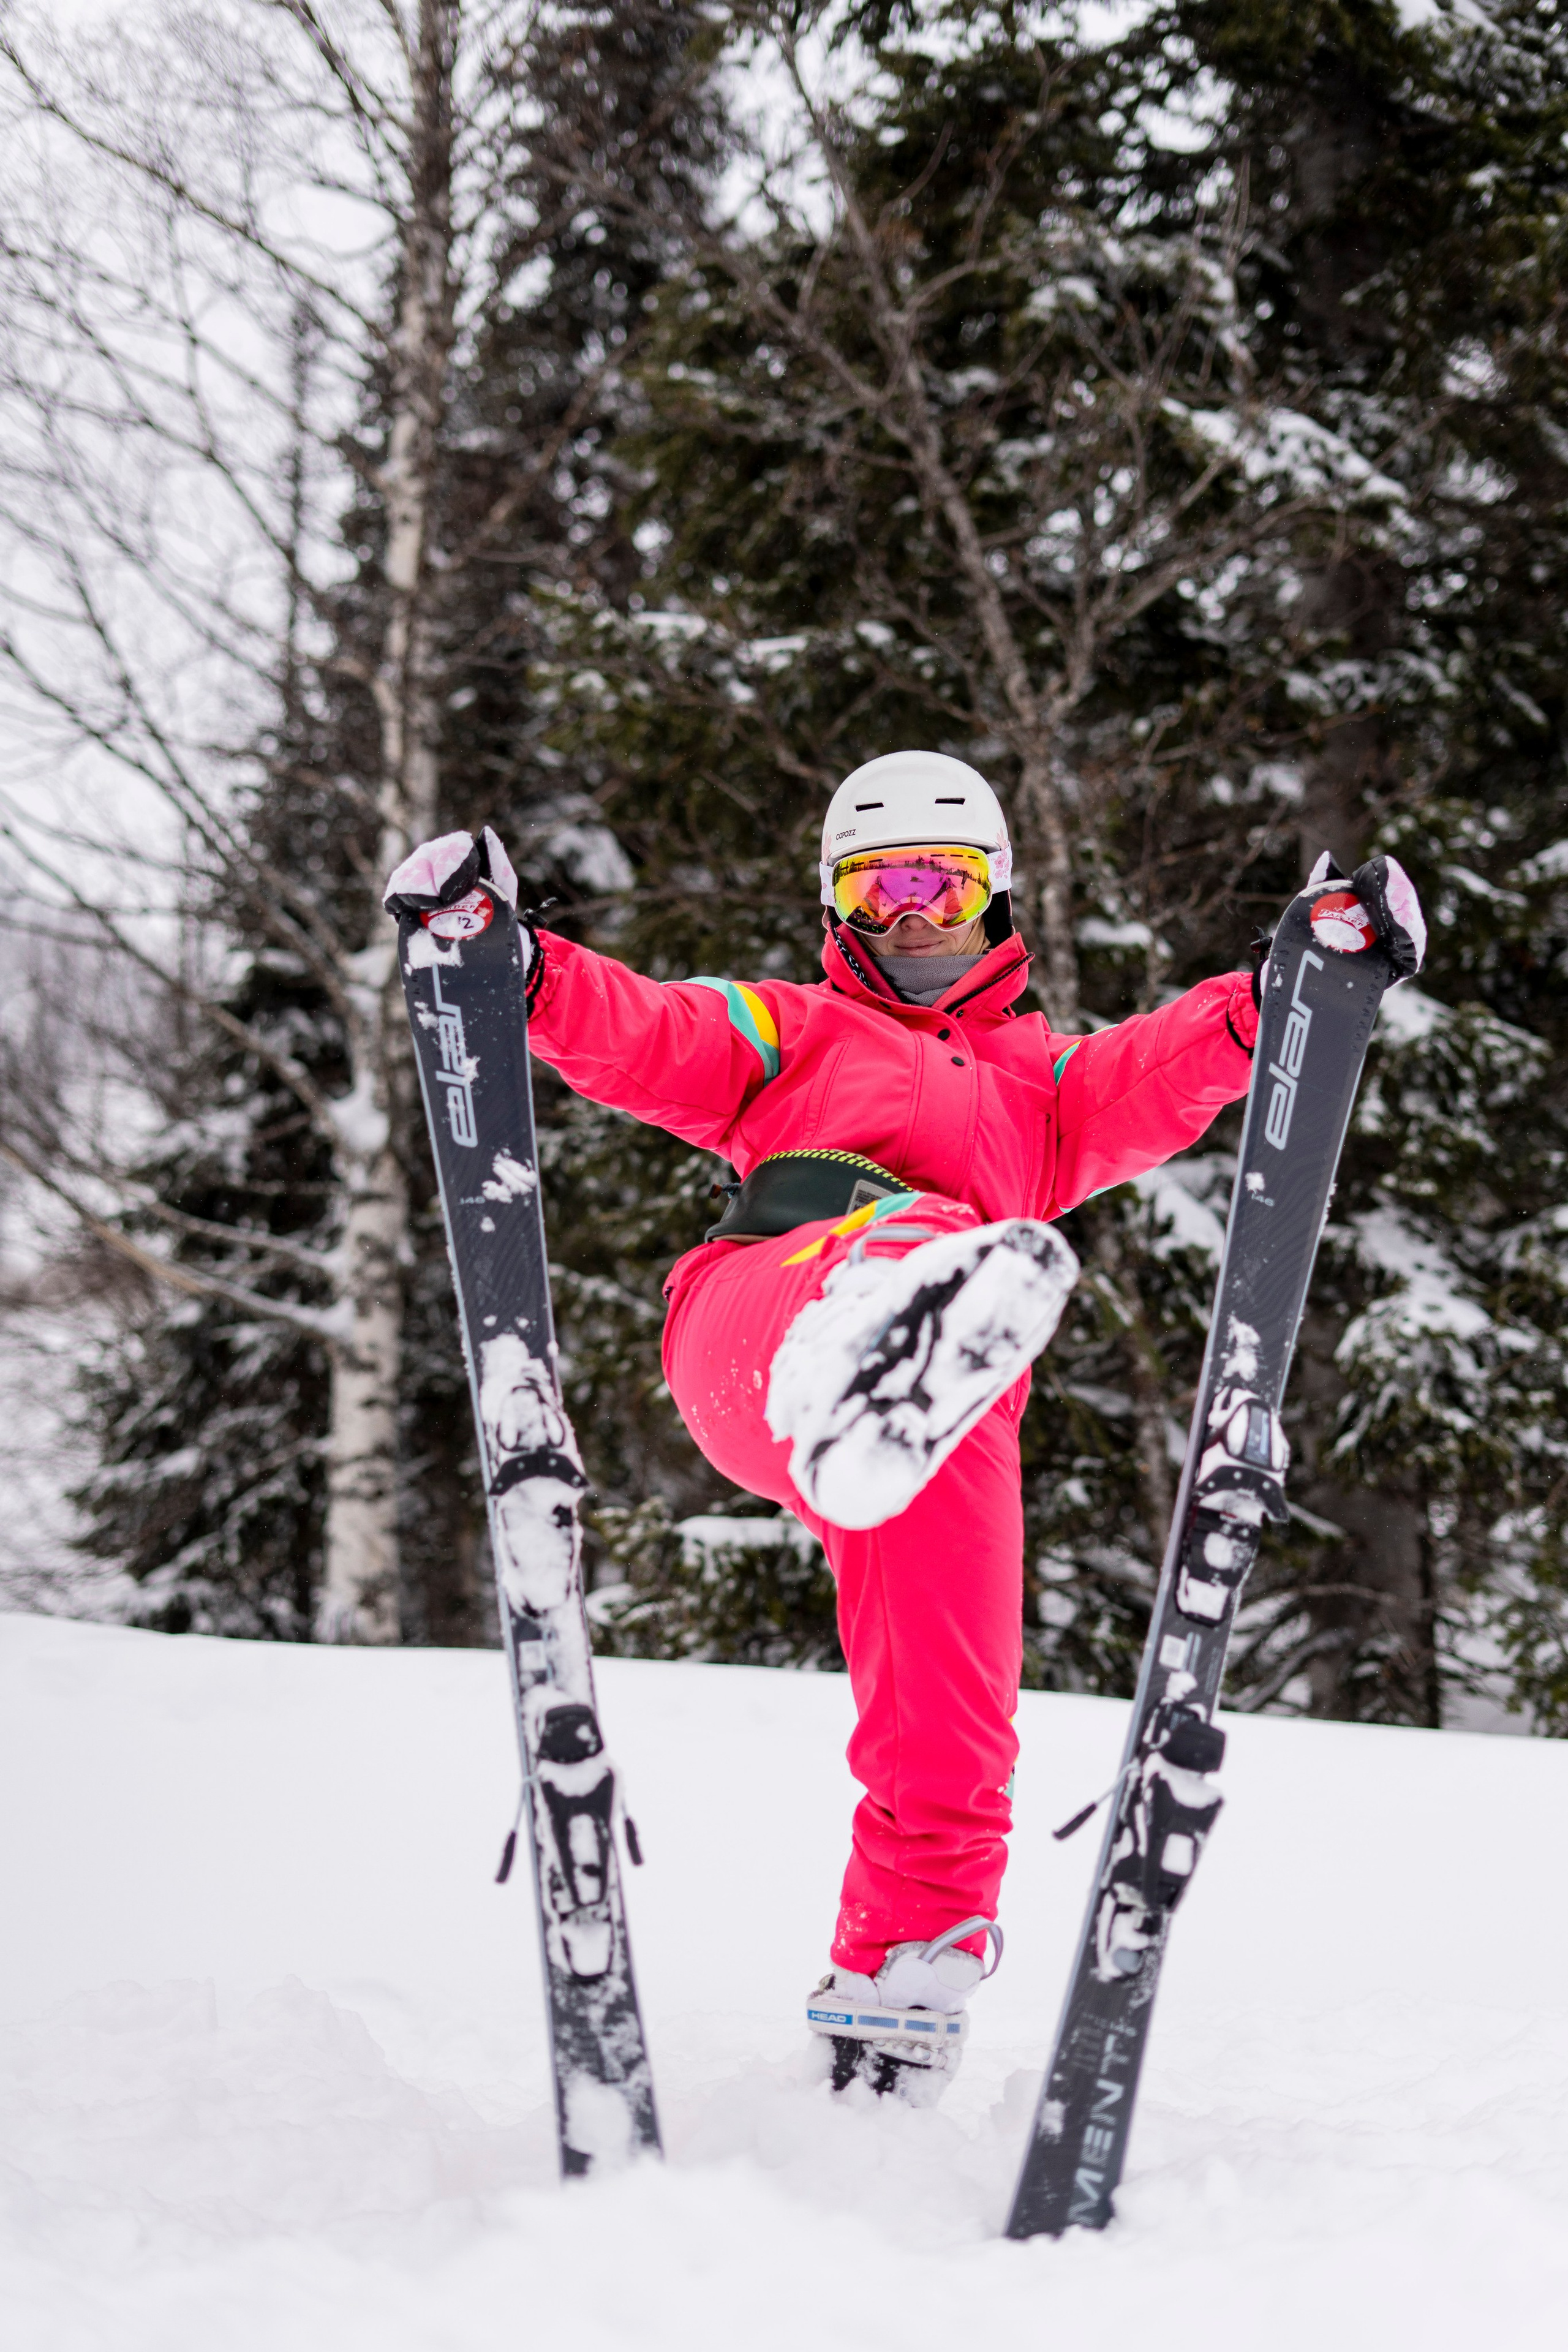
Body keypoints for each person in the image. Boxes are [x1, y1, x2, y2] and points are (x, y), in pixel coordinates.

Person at [385, 751, 1425, 2100]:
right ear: (839, 904)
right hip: (762, 1326)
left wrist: (1287, 989)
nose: (914, 912)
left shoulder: (1049, 1091)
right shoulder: (790, 1033)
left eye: (945, 880)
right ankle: (909, 1291)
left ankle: (899, 1995)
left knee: (955, 1722)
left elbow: (1170, 1065)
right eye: (881, 886)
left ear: (994, 897)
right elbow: (648, 1028)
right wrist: (511, 965)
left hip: (941, 1418)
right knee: (930, 1236)